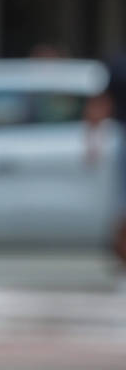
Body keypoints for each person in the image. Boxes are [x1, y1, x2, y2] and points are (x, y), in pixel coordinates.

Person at [86, 54, 126, 265]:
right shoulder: (119, 63)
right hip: (122, 133)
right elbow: (102, 101)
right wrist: (92, 139)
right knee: (121, 207)